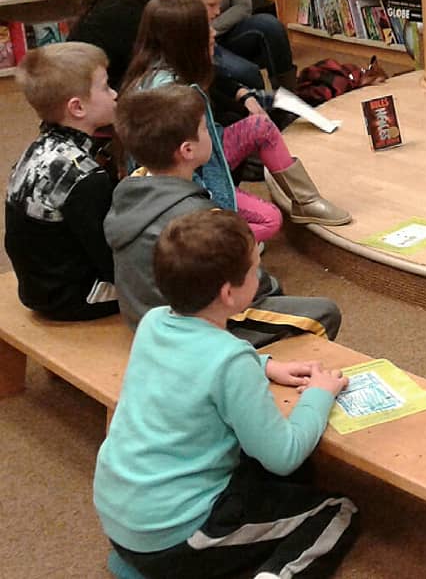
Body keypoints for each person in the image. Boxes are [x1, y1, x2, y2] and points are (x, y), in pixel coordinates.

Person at [94, 209, 358, 578]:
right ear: (228, 293)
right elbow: (285, 455)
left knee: (279, 476)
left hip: (119, 517)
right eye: (254, 268)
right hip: (175, 537)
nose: (260, 273)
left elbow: (198, 359)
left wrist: (263, 364)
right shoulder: (230, 361)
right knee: (336, 511)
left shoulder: (154, 321)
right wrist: (319, 393)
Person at [106, 84, 342, 346]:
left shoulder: (128, 188)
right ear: (187, 150)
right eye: (206, 129)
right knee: (323, 314)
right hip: (188, 328)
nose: (213, 134)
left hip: (144, 318)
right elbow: (251, 287)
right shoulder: (199, 217)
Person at [120, 0, 350, 240]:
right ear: (184, 39)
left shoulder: (171, 66)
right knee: (270, 219)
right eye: (204, 28)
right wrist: (214, 204)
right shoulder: (167, 94)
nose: (213, 34)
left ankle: (307, 200)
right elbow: (179, 171)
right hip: (189, 176)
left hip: (209, 151)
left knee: (260, 125)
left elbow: (221, 82)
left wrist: (245, 95)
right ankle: (214, 241)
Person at [4, 43, 119, 320]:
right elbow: (112, 262)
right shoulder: (86, 176)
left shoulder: (37, 149)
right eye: (105, 87)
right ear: (77, 107)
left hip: (38, 287)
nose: (115, 94)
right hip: (74, 297)